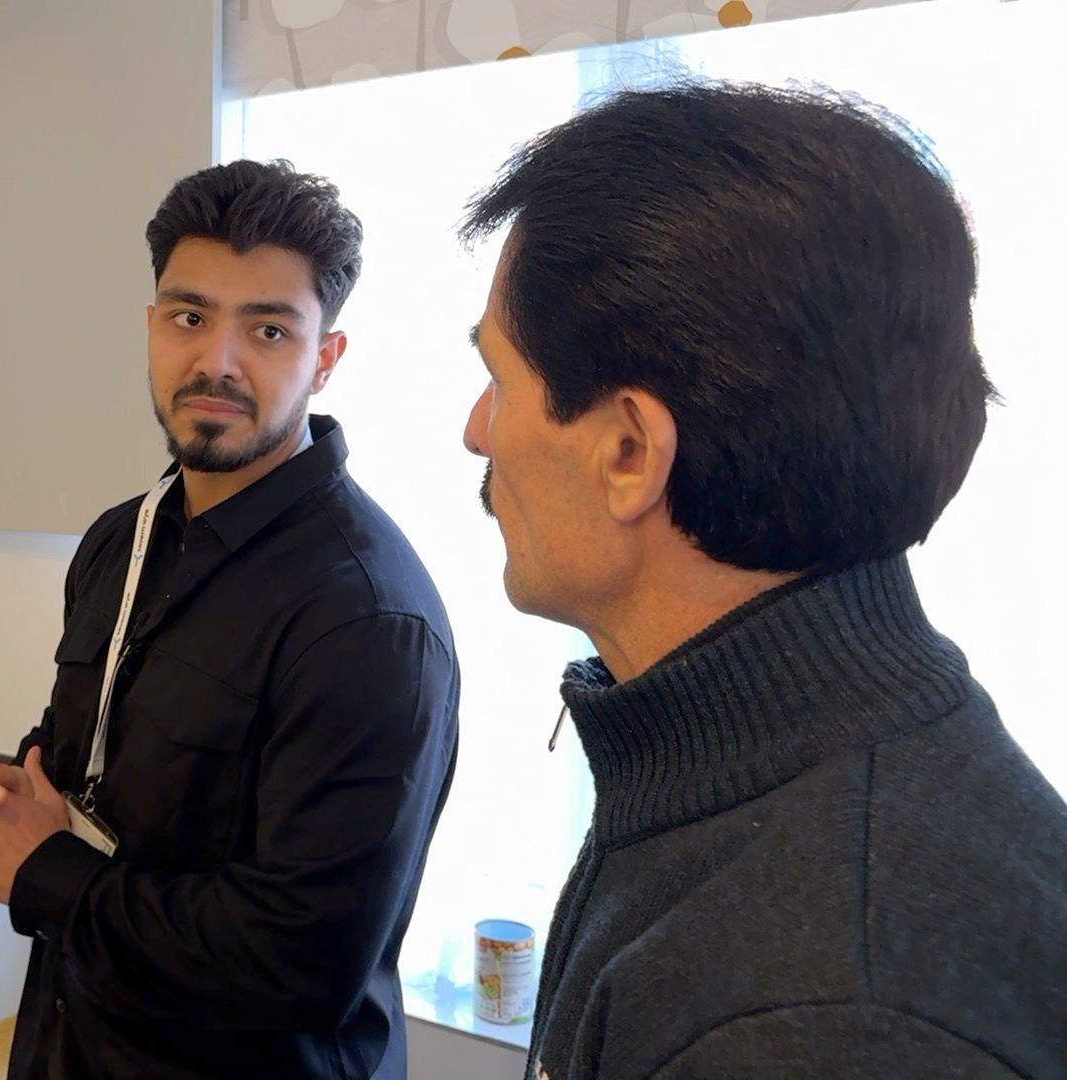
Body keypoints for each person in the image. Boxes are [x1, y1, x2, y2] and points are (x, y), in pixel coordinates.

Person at [457, 84, 1067, 1079]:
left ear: (628, 452)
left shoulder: (825, 1014)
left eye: (500, 380)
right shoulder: (744, 781)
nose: (477, 430)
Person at [0, 159, 460, 1078]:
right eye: (189, 317)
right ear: (152, 327)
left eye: (267, 329)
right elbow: (95, 756)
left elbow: (302, 966)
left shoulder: (367, 619)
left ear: (326, 358)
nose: (215, 362)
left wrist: (39, 871)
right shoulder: (122, 541)